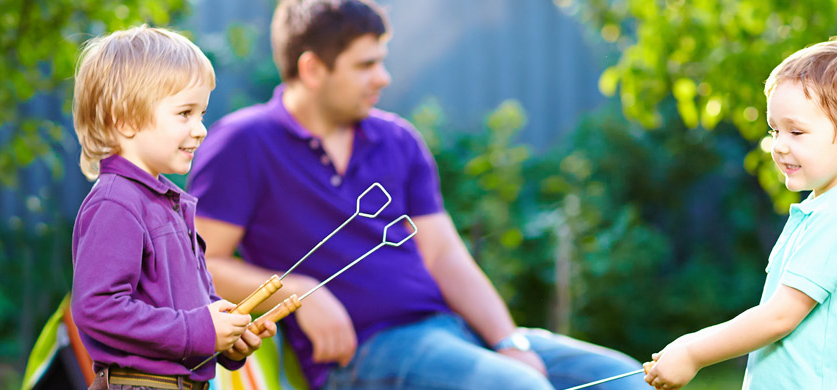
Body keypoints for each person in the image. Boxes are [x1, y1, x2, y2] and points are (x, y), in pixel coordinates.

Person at [186, 1, 648, 389]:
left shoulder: (397, 140)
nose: (383, 77)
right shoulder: (243, 142)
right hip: (364, 351)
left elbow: (445, 255)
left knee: (626, 378)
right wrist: (301, 292)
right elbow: (202, 263)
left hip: (449, 330)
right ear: (312, 68)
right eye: (366, 64)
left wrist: (509, 342)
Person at [643, 36, 837, 390]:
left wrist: (693, 352)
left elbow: (780, 316)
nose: (779, 145)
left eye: (796, 131)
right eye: (774, 130)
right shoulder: (831, 207)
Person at [69, 25, 276, 390]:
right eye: (185, 114)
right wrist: (198, 330)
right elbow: (97, 309)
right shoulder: (116, 203)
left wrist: (227, 332)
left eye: (201, 113)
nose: (201, 129)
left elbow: (187, 305)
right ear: (125, 119)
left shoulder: (166, 204)